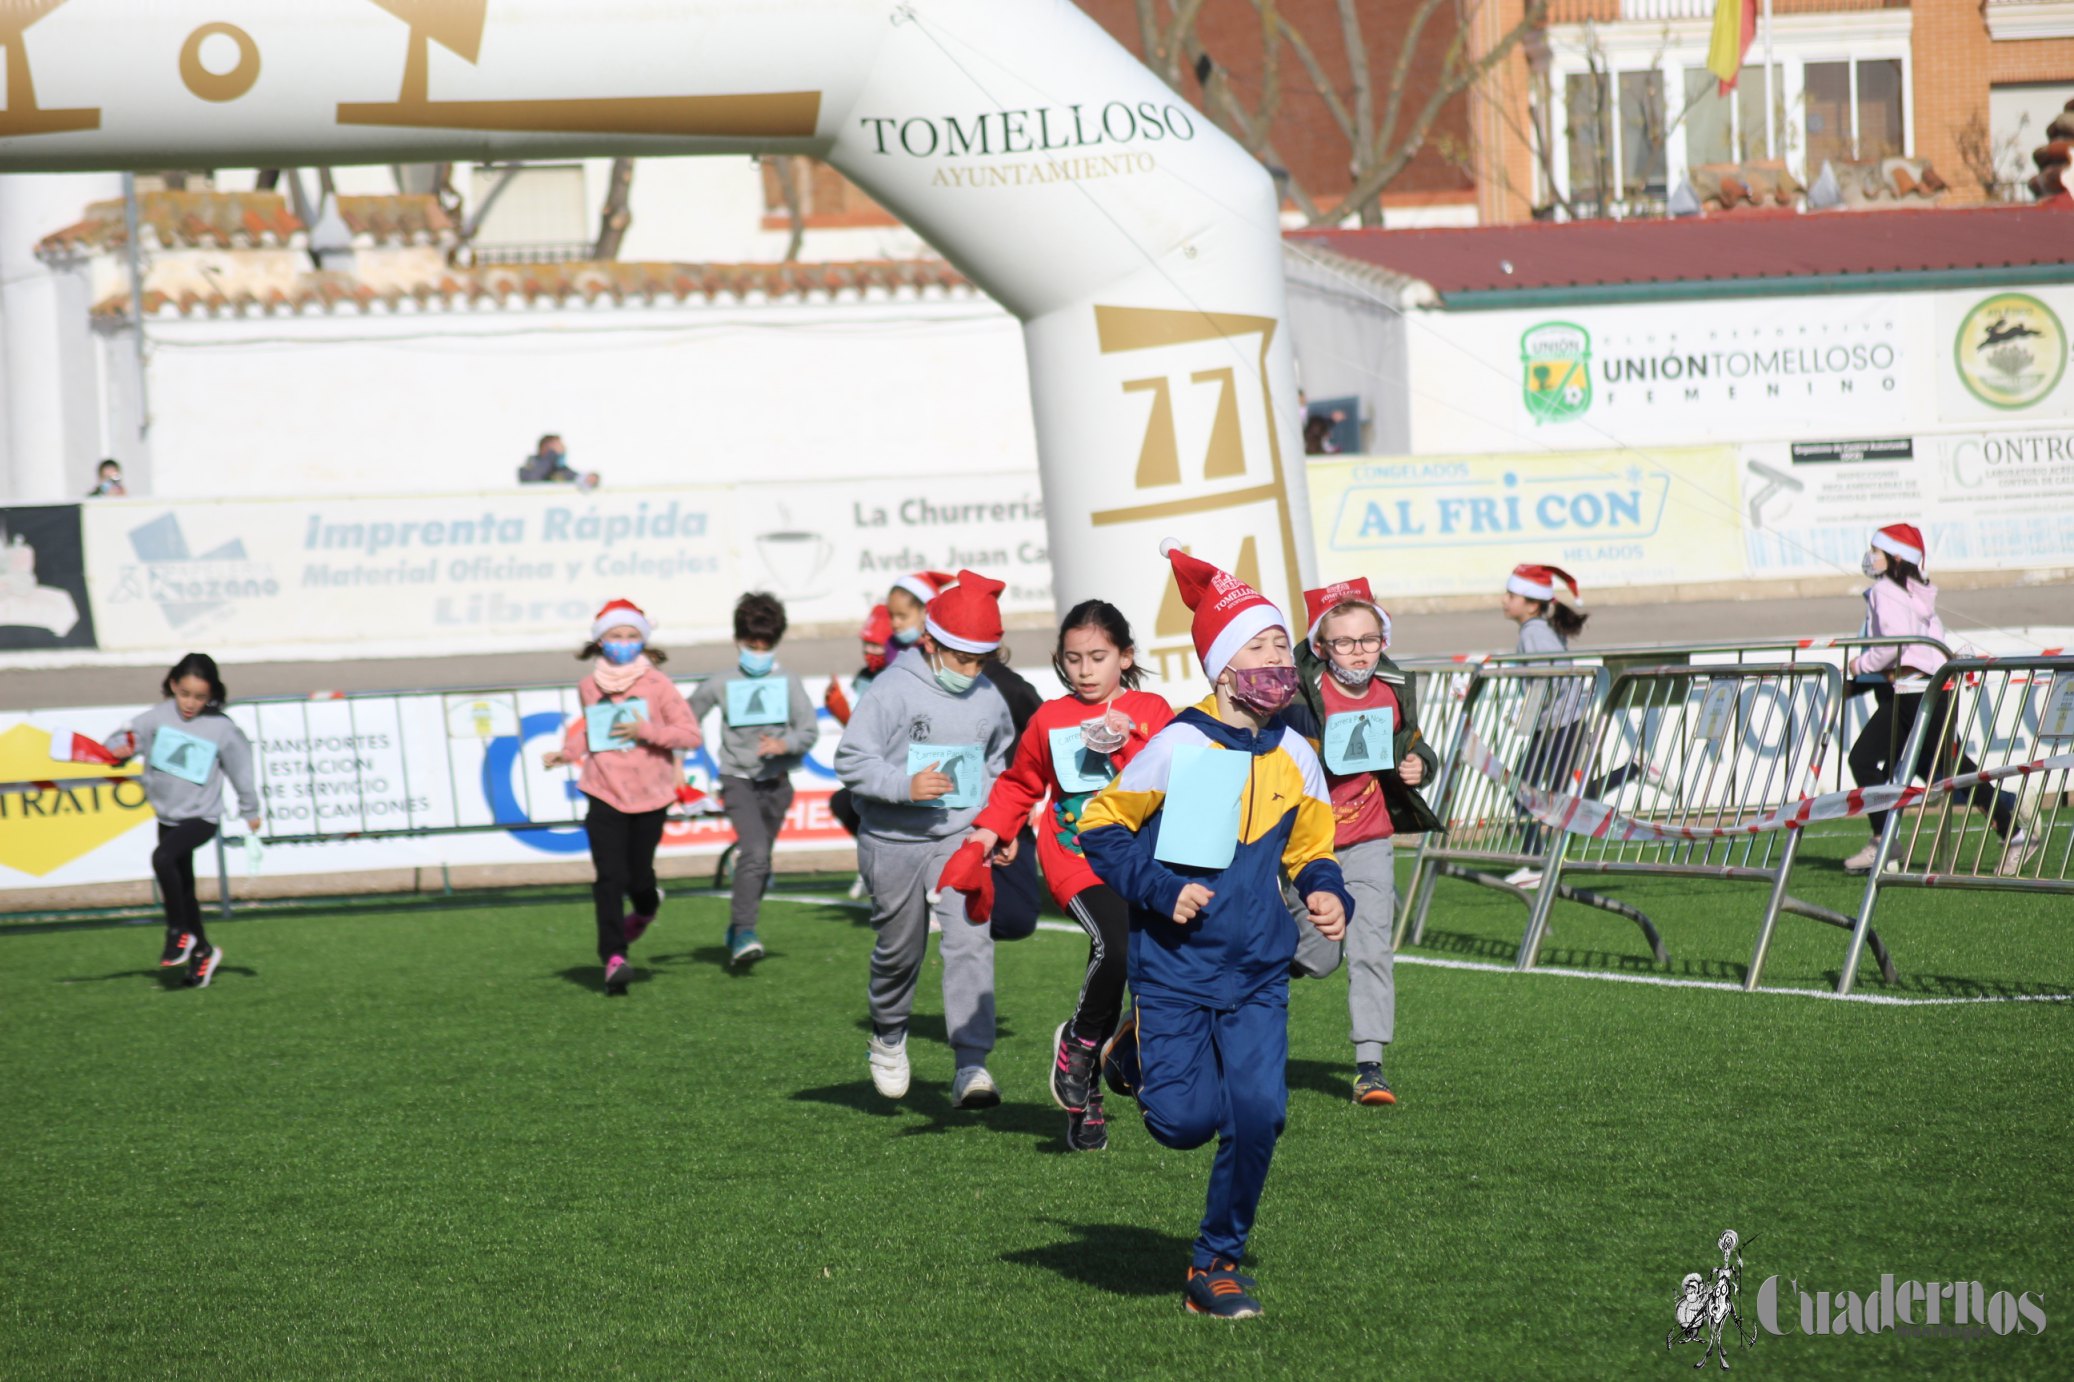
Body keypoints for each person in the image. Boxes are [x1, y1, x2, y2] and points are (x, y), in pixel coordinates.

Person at [1080, 540, 1351, 1320]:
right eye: (1262, 648)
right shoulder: (1176, 743)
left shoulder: (1298, 749)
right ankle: (1128, 1047)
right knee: (1182, 1124)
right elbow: (1100, 829)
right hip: (1175, 969)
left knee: (1262, 1113)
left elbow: (1313, 847)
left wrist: (1327, 893)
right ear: (1225, 668)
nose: (1280, 661)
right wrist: (1163, 890)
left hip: (1261, 969)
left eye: (1281, 647)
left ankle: (1216, 1262)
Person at [967, 600, 1174, 1151]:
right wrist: (991, 832)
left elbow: (1180, 770)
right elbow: (1018, 785)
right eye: (1073, 658)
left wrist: (1132, 735)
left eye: (1098, 657)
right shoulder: (1051, 718)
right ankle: (1080, 1044)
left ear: (1125, 658)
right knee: (1116, 945)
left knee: (1133, 964)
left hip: (1140, 860)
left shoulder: (1152, 709)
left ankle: (1088, 1093)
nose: (1085, 669)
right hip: (1075, 857)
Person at [834, 570, 1015, 1109]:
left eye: (981, 660)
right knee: (899, 950)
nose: (972, 670)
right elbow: (851, 759)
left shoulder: (989, 698)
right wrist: (902, 787)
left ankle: (972, 1065)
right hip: (890, 841)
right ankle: (888, 1036)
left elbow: (1000, 766)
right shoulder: (892, 688)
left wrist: (995, 825)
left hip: (959, 841)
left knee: (970, 940)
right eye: (963, 658)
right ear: (931, 643)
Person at [1287, 577, 1441, 1106]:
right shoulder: (1298, 693)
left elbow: (1414, 743)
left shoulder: (1393, 688)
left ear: (1384, 640)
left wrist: (1422, 765)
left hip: (1371, 838)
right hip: (1308, 846)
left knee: (1373, 949)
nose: (1359, 651)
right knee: (1319, 957)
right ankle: (1259, 968)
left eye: (1368, 639)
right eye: (1345, 642)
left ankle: (1370, 1068)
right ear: (1321, 647)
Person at [1844, 524, 2032, 876]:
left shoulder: (1887, 590)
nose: (1871, 557)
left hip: (1917, 693)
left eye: (1876, 550)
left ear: (1895, 557)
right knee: (1920, 766)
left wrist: (1857, 666)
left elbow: (1889, 647)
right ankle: (1884, 841)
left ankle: (2015, 831)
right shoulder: (1919, 589)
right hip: (1924, 689)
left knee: (1940, 768)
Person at [542, 599, 701, 995]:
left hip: (651, 793)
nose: (624, 643)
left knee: (638, 878)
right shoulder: (589, 685)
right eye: (616, 636)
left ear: (643, 641)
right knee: (609, 878)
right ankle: (614, 958)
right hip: (603, 790)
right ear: (600, 641)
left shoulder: (658, 685)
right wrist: (567, 752)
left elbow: (689, 735)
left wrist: (646, 732)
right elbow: (590, 730)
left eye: (632, 636)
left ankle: (647, 907)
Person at [109, 653, 260, 989]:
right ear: (174, 686)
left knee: (162, 858)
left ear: (212, 695)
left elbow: (241, 771)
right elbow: (120, 742)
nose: (191, 703)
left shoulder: (221, 728)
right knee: (184, 889)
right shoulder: (155, 718)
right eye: (185, 694)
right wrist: (117, 752)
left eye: (200, 697)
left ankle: (179, 934)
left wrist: (250, 810)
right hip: (168, 816)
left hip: (201, 817)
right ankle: (202, 951)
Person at [689, 592, 819, 967]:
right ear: (738, 640)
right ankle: (744, 931)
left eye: (766, 645)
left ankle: (737, 928)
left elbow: (808, 731)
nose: (758, 651)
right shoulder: (721, 682)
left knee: (760, 861)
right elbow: (685, 718)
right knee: (757, 854)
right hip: (737, 780)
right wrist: (676, 757)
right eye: (751, 644)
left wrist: (785, 743)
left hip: (777, 784)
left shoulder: (788, 682)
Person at [825, 603, 892, 842]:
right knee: (844, 804)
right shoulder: (864, 677)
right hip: (873, 768)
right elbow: (863, 735)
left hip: (895, 770)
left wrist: (846, 716)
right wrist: (842, 713)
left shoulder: (900, 677)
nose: (869, 651)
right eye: (866, 644)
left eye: (876, 645)